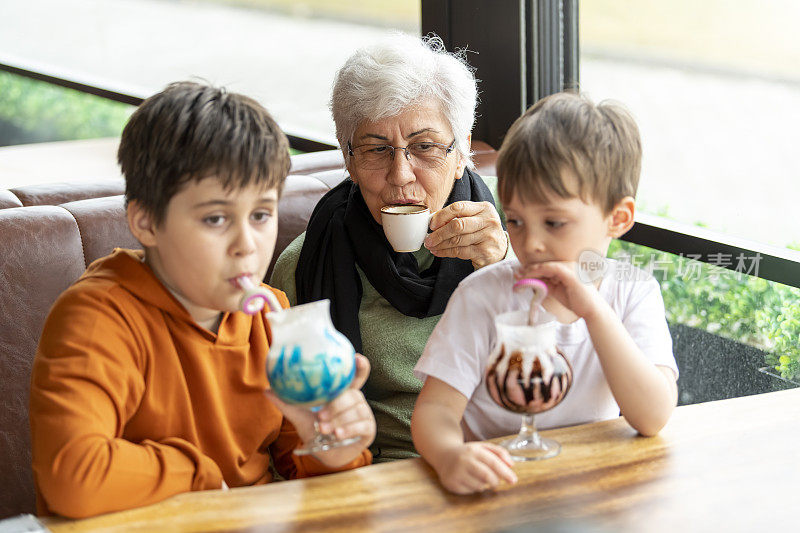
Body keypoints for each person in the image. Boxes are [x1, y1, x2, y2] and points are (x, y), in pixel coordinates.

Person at [29, 81, 375, 519]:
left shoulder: (272, 318)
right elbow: (73, 480)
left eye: (261, 214)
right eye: (215, 218)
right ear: (146, 222)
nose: (246, 245)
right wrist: (202, 475)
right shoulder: (98, 318)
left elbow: (326, 494)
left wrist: (331, 443)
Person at [411, 92, 679, 494]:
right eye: (515, 220)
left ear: (617, 219)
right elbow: (435, 411)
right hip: (499, 483)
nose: (530, 242)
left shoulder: (632, 292)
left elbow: (652, 416)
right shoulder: (482, 296)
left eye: (554, 222)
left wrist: (593, 310)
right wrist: (450, 455)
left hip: (591, 486)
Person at [270, 34, 510, 462]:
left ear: (461, 152)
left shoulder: (514, 234)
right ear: (348, 160)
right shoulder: (305, 265)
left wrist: (504, 267)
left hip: (504, 454)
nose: (400, 174)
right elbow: (288, 432)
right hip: (381, 475)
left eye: (425, 147)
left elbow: (573, 358)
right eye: (376, 149)